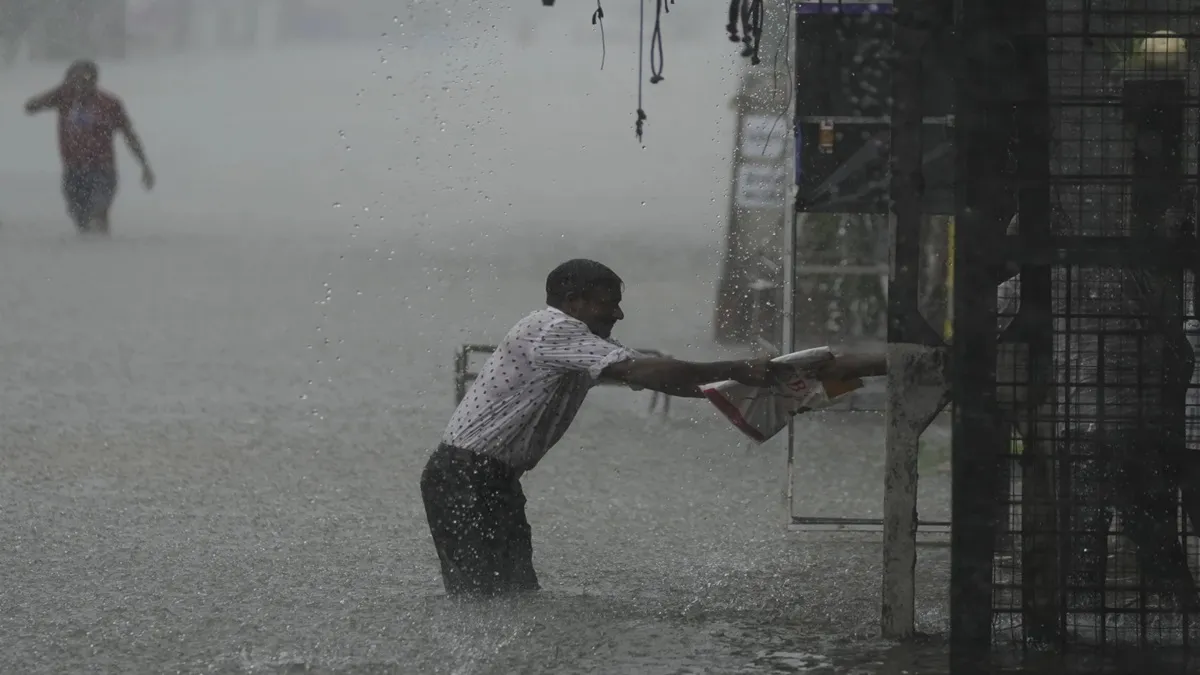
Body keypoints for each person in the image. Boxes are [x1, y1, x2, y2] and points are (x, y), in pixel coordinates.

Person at [420, 258, 887, 597]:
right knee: (482, 601)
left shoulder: (577, 340)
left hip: (487, 479)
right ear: (573, 301)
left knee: (514, 595)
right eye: (609, 305)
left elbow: (670, 380)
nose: (618, 315)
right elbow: (643, 372)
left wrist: (762, 385)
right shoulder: (551, 329)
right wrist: (738, 368)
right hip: (465, 477)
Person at [24, 59, 155, 234]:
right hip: (73, 172)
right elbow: (30, 107)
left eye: (85, 78)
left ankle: (103, 253)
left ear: (95, 79)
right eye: (75, 78)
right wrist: (60, 88)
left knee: (98, 215)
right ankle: (89, 257)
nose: (81, 84)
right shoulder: (64, 97)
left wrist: (144, 165)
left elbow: (129, 135)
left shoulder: (109, 104)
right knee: (82, 221)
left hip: (102, 171)